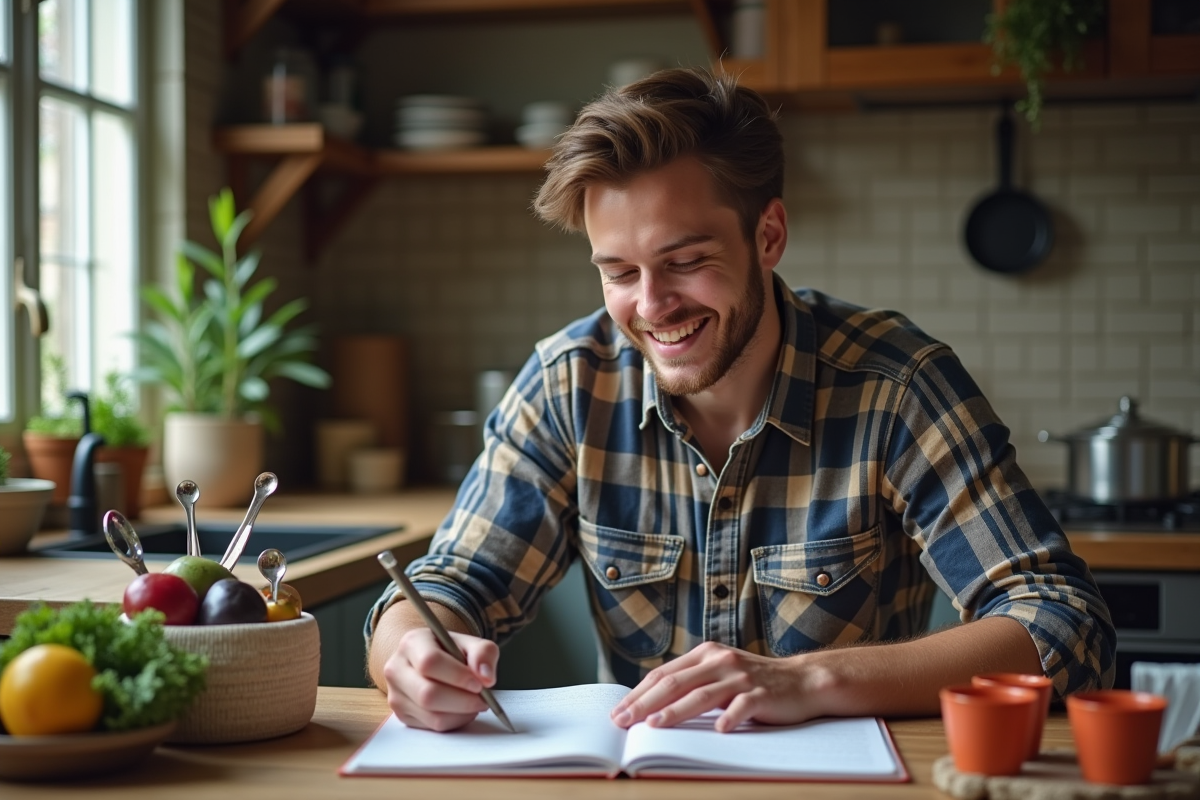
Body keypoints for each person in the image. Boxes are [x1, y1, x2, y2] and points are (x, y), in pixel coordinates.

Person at [365, 68, 1114, 734]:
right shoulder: (569, 384)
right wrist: (409, 652)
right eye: (619, 271)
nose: (652, 306)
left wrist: (813, 680)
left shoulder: (896, 386)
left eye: (685, 262)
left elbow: (1063, 626)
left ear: (769, 235)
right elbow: (447, 584)